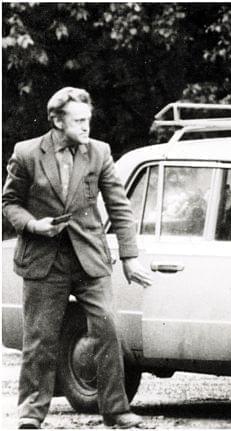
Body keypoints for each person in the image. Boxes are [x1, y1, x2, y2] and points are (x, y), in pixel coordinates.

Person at [2, 87, 152, 429]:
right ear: (57, 121)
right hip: (43, 259)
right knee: (40, 338)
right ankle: (31, 413)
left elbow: (119, 206)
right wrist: (34, 225)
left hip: (90, 258)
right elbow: (9, 203)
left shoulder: (99, 152)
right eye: (78, 120)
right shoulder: (26, 153)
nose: (86, 127)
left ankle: (116, 410)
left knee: (108, 329)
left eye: (88, 120)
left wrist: (130, 256)